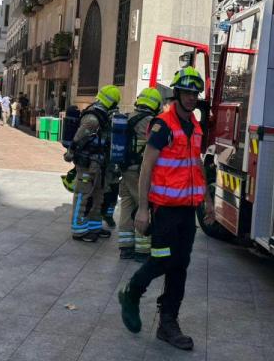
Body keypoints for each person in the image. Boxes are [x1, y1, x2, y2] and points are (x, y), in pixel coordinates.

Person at [118, 67, 214, 351]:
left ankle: (168, 324)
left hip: (187, 210)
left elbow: (196, 164)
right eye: (187, 92)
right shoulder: (163, 125)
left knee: (180, 266)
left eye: (195, 93)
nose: (192, 97)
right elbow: (147, 167)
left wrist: (207, 200)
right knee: (161, 260)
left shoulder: (195, 126)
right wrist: (143, 208)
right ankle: (132, 292)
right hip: (164, 210)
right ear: (177, 93)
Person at [64, 85, 122, 242]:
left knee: (98, 196)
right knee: (83, 195)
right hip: (87, 163)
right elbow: (77, 139)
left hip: (99, 164)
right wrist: (70, 154)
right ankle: (78, 230)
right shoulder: (93, 118)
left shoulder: (103, 116)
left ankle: (94, 227)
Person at [116, 87, 163, 261]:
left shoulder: (127, 117)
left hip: (125, 170)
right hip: (140, 172)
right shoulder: (151, 122)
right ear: (156, 104)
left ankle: (125, 247)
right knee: (143, 207)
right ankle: (142, 250)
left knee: (127, 205)